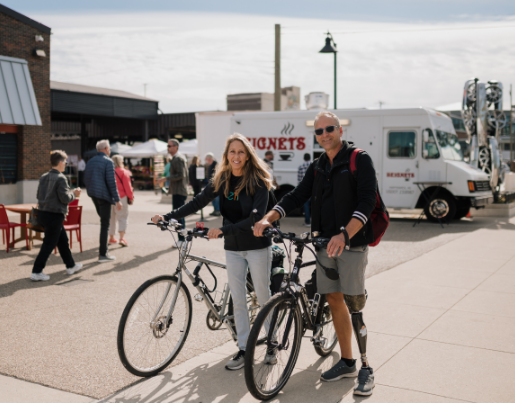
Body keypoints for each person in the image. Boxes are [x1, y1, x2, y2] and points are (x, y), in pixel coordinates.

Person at [253, 111, 377, 396]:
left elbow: (367, 200)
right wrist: (267, 218)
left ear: (340, 129)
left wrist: (345, 234)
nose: (324, 135)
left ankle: (366, 367)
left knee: (354, 305)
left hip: (352, 244)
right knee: (333, 300)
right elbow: (297, 195)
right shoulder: (318, 165)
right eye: (319, 132)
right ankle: (347, 362)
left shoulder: (359, 159)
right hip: (324, 244)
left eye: (329, 129)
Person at [152, 133, 275, 370]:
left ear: (248, 156)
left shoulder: (258, 181)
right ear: (226, 156)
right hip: (233, 248)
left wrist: (222, 229)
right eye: (232, 152)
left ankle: (272, 342)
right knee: (238, 300)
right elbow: (197, 202)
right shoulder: (223, 179)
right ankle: (243, 348)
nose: (236, 156)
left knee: (263, 296)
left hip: (257, 246)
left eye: (241, 152)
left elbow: (256, 218)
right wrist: (167, 217)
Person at [31, 150, 83, 281]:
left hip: (43, 213)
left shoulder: (43, 177)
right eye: (65, 161)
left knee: (62, 241)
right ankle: (36, 271)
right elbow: (65, 198)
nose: (66, 164)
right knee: (49, 244)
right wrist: (75, 194)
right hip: (54, 215)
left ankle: (70, 266)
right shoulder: (61, 178)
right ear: (60, 162)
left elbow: (38, 195)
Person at [84, 139, 122, 262]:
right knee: (105, 224)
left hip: (94, 195)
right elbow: (112, 183)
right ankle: (103, 254)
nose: (110, 151)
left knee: (104, 222)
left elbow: (86, 179)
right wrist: (117, 200)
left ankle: (103, 252)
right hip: (104, 196)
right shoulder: (108, 161)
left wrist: (91, 193)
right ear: (105, 149)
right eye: (109, 149)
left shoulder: (90, 161)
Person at [167, 139, 189, 247]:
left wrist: (167, 178)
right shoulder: (177, 158)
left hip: (179, 191)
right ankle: (181, 239)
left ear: (176, 147)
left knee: (179, 216)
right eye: (168, 146)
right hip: (178, 191)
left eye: (170, 146)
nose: (168, 148)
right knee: (178, 215)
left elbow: (181, 175)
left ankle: (182, 239)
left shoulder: (178, 158)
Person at [108, 155, 134, 247]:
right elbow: (127, 187)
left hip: (110, 198)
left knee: (111, 219)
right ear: (120, 162)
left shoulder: (108, 171)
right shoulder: (124, 172)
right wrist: (131, 197)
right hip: (121, 197)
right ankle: (122, 238)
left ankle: (111, 238)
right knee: (122, 217)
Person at [205, 152, 220, 216]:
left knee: (216, 198)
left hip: (216, 184)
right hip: (211, 183)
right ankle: (215, 209)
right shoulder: (210, 165)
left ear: (209, 158)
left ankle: (218, 210)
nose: (206, 160)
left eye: (206, 158)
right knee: (212, 198)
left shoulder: (215, 164)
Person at [298, 153, 311, 227]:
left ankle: (307, 222)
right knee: (316, 205)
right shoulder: (314, 165)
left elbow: (299, 179)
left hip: (305, 188)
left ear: (304, 158)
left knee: (306, 205)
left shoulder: (301, 166)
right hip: (313, 187)